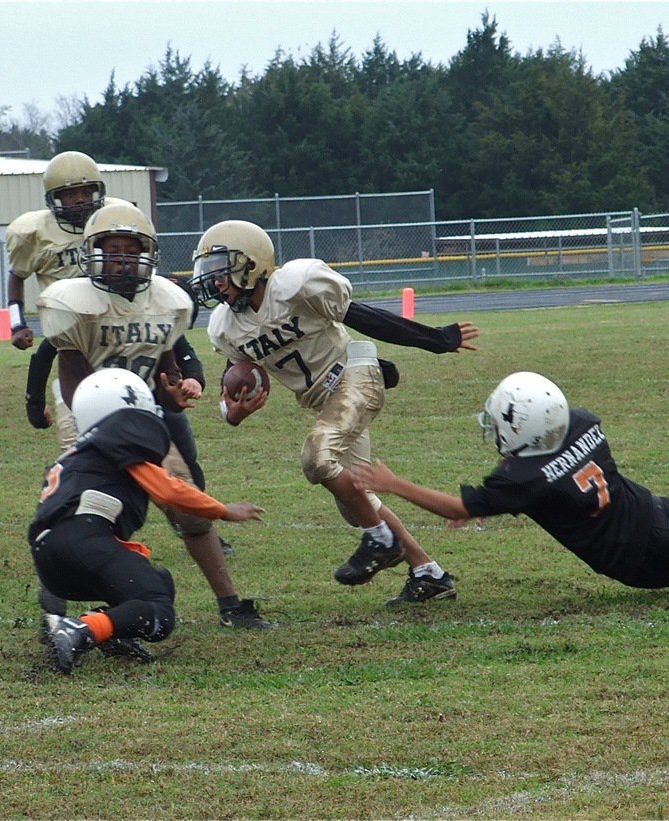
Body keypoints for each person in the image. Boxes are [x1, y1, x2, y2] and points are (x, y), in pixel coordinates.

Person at [352, 370, 669, 599]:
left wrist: (392, 483)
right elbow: (472, 505)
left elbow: (456, 509)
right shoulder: (583, 423)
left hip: (632, 570)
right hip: (656, 523)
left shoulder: (521, 479)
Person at [189, 219, 481, 606]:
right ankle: (429, 573)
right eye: (209, 274)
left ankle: (382, 540)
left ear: (251, 263)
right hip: (324, 401)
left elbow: (362, 317)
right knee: (356, 501)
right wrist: (235, 413)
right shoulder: (226, 327)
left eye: (220, 271)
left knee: (316, 458)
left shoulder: (295, 285)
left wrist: (436, 340)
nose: (214, 283)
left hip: (355, 374)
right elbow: (233, 380)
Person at [37, 202, 272, 628]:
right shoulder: (75, 303)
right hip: (86, 412)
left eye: (131, 247)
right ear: (94, 252)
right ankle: (56, 607)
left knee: (189, 512)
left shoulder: (165, 301)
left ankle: (230, 604)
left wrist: (176, 390)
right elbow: (71, 380)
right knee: (89, 512)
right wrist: (100, 439)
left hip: (141, 414)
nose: (123, 256)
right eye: (113, 248)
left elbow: (166, 366)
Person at [32, 369, 265, 673]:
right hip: (83, 542)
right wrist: (223, 510)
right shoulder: (119, 438)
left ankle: (107, 630)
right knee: (159, 610)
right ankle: (79, 629)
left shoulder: (78, 454)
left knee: (158, 584)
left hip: (51, 561)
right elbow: (167, 489)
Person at [4, 150, 107, 448]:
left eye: (86, 191)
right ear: (55, 198)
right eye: (71, 194)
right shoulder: (36, 232)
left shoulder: (110, 219)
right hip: (66, 323)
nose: (80, 200)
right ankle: (37, 404)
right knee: (52, 349)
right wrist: (16, 324)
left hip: (109, 316)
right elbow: (17, 275)